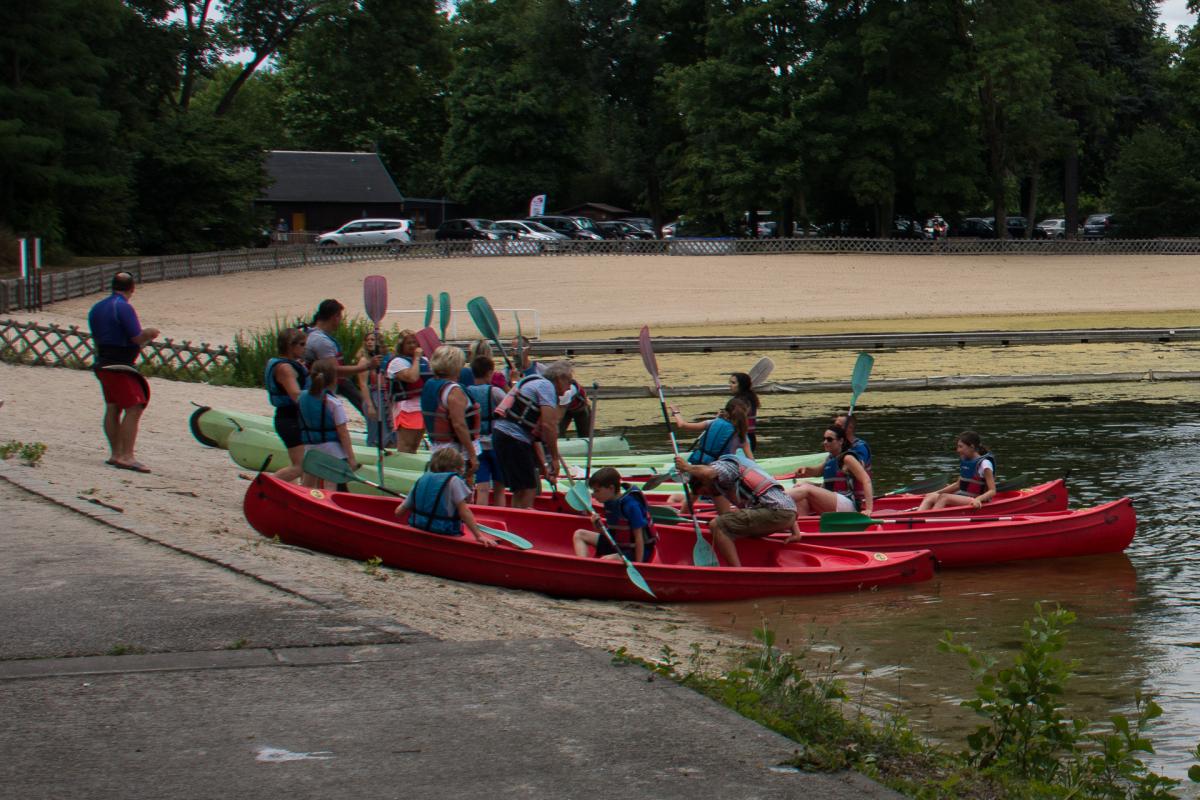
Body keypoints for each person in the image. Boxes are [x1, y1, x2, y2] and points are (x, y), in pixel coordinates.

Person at [87, 271, 160, 473]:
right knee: (134, 407)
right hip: (119, 366)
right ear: (132, 288)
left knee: (113, 407)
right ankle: (126, 456)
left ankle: (115, 453)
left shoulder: (97, 308)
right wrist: (149, 333)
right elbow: (136, 337)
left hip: (102, 362)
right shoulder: (123, 307)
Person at [673, 453, 800, 568]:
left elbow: (710, 473)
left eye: (706, 492)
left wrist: (687, 467)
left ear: (705, 481)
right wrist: (795, 532)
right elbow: (782, 504)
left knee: (717, 525)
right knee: (732, 527)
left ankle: (736, 571)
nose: (710, 494)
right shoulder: (724, 483)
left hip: (776, 512)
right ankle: (749, 563)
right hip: (788, 514)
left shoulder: (726, 467)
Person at [491, 359, 576, 508]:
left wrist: (544, 467)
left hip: (505, 436)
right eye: (568, 382)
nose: (569, 387)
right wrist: (555, 459)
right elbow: (549, 425)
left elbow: (534, 438)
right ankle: (522, 518)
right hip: (512, 438)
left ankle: (517, 515)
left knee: (522, 488)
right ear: (559, 378)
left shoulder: (537, 383)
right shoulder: (546, 386)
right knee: (528, 489)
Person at [396, 447, 494, 546]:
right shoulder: (454, 481)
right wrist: (479, 536)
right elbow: (465, 512)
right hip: (443, 533)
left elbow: (398, 512)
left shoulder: (422, 479)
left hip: (418, 528)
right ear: (458, 468)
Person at [302, 299, 376, 417]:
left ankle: (370, 416)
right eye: (340, 318)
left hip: (330, 384)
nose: (340, 322)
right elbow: (335, 370)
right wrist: (366, 366)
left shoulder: (314, 334)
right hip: (322, 389)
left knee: (358, 399)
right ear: (335, 317)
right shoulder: (321, 340)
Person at [571, 467, 657, 563]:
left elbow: (639, 538)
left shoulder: (631, 506)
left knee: (605, 560)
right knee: (579, 534)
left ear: (611, 488)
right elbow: (611, 534)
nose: (594, 495)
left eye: (597, 491)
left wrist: (638, 564)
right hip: (618, 545)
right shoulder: (609, 502)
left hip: (635, 551)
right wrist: (597, 526)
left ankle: (592, 568)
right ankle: (584, 565)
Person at [787, 424, 874, 517]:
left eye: (829, 439)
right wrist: (805, 469)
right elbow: (817, 471)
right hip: (833, 501)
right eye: (824, 439)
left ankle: (777, 499)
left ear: (841, 441)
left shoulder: (848, 458)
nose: (825, 442)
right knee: (800, 485)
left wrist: (869, 509)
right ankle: (803, 522)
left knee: (806, 489)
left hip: (848, 505)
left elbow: (866, 480)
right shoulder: (830, 458)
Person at [298, 358, 359, 489]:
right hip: (331, 450)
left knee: (308, 485)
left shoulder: (301, 397)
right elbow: (343, 433)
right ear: (333, 380)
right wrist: (351, 458)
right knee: (330, 486)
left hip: (310, 446)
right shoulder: (333, 402)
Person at [420, 345, 480, 477]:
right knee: (458, 486)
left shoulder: (430, 385)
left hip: (437, 449)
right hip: (454, 452)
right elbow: (459, 425)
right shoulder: (454, 391)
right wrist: (472, 454)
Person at [264, 327, 309, 482]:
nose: (305, 348)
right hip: (289, 419)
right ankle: (265, 486)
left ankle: (300, 492)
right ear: (291, 345)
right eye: (302, 344)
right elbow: (296, 395)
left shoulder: (288, 364)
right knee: (300, 466)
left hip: (292, 418)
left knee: (305, 466)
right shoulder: (285, 368)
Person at [466, 355, 508, 506]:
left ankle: (481, 515)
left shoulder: (467, 392)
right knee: (499, 488)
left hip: (477, 447)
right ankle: (501, 515)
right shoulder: (495, 391)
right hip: (496, 445)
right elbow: (510, 408)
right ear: (490, 372)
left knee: (482, 489)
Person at [918, 431, 997, 511]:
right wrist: (935, 492)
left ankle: (933, 518)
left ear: (972, 447)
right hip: (964, 496)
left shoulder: (985, 464)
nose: (958, 450)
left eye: (960, 447)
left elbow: (992, 491)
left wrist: (978, 499)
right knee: (930, 496)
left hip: (977, 500)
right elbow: (958, 485)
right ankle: (917, 516)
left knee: (944, 497)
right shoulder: (966, 461)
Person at [669, 397, 755, 463]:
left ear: (726, 411)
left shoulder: (712, 423)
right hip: (719, 470)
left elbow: (682, 425)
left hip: (698, 462)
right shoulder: (742, 436)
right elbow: (751, 462)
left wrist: (676, 412)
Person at [386, 329, 431, 453]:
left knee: (414, 445)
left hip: (422, 406)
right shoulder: (397, 363)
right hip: (406, 408)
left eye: (414, 342)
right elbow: (412, 377)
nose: (412, 345)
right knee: (406, 445)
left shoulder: (425, 361)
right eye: (409, 343)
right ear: (402, 346)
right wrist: (416, 358)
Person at [356, 330, 396, 451]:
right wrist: (370, 405)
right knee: (375, 431)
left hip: (385, 397)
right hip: (373, 398)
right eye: (367, 340)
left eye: (372, 340)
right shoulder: (364, 361)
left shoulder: (384, 359)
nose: (369, 342)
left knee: (388, 430)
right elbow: (363, 384)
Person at [730, 372, 761, 451]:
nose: (730, 385)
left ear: (741, 385)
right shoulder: (751, 398)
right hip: (750, 437)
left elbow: (737, 420)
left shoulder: (740, 401)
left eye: (733, 383)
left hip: (741, 439)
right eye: (730, 382)